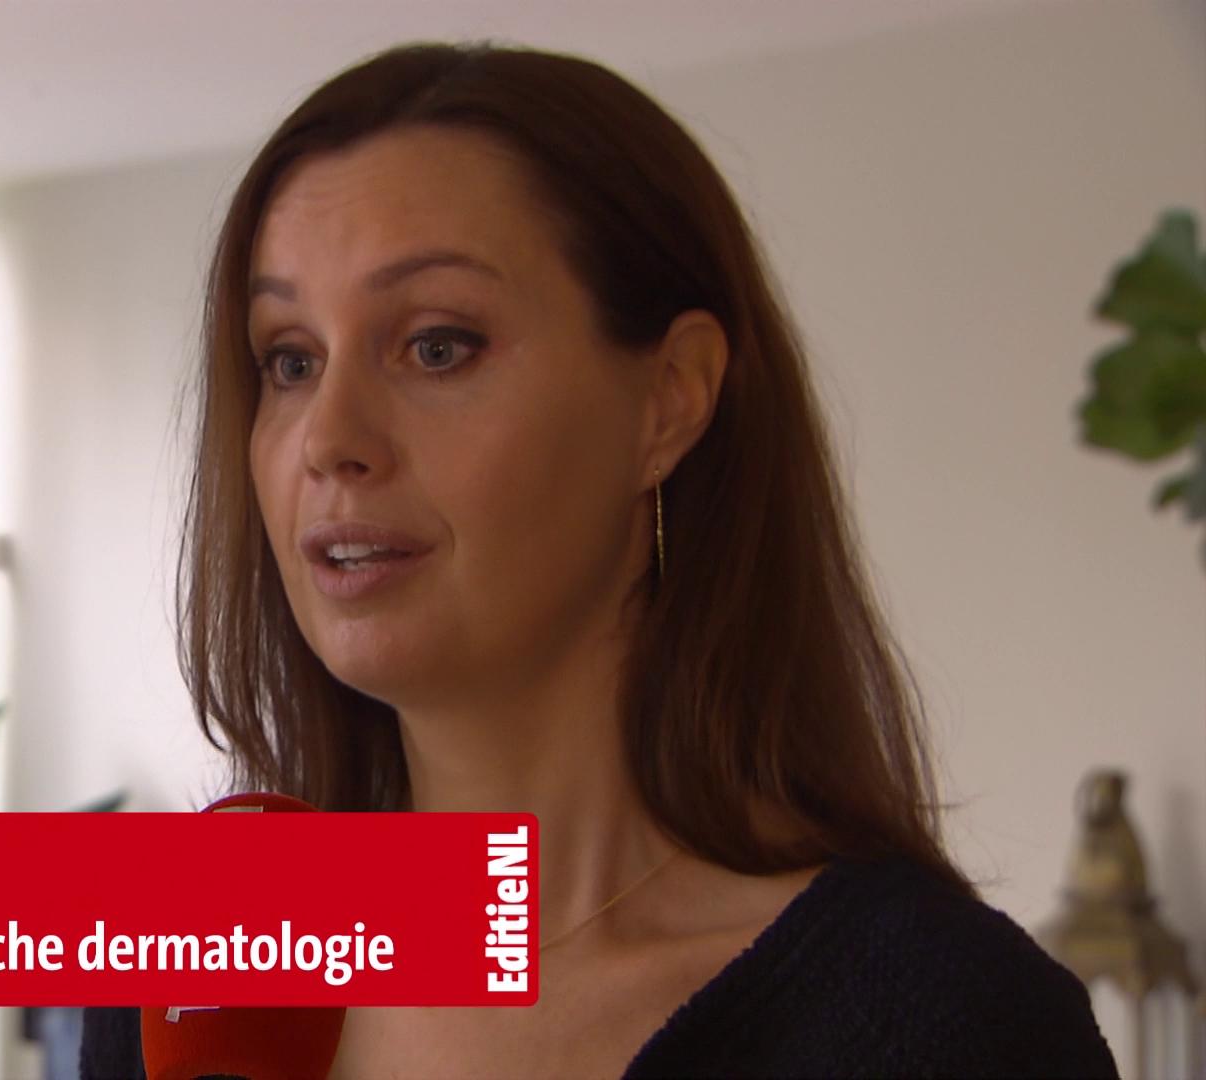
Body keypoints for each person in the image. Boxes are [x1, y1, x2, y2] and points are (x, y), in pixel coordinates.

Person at [81, 41, 1115, 1079]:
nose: (329, 438)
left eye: (437, 346)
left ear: (669, 398)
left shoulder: (947, 1027)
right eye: (290, 360)